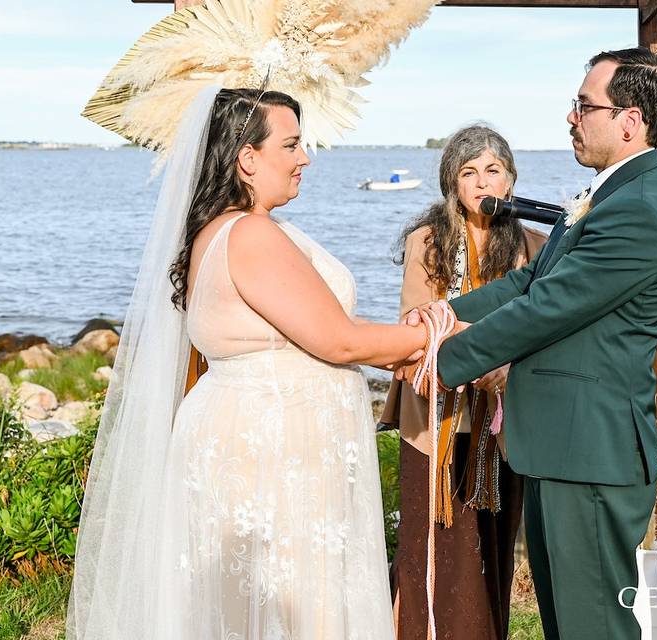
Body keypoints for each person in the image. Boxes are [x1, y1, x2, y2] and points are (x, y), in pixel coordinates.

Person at [67, 87, 426, 640]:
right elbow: (340, 342)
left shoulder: (227, 229)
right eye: (292, 144)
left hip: (261, 435)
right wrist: (437, 336)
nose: (305, 158)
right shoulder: (250, 234)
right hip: (272, 447)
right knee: (286, 604)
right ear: (248, 159)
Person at [402, 47, 657, 639]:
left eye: (584, 106)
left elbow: (547, 310)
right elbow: (530, 282)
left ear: (629, 121)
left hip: (591, 448)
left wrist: (448, 359)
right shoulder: (606, 196)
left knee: (593, 627)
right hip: (562, 445)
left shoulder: (640, 210)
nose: (571, 118)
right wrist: (442, 315)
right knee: (566, 623)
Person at [381, 125, 547, 640]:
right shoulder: (428, 240)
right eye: (468, 172)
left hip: (501, 418)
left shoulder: (536, 243)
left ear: (511, 179)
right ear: (452, 184)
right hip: (437, 419)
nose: (481, 183)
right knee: (434, 547)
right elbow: (419, 319)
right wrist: (493, 342)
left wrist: (501, 355)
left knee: (490, 546)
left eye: (492, 170)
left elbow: (543, 322)